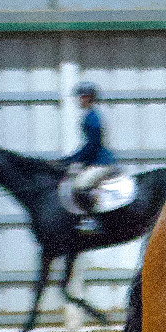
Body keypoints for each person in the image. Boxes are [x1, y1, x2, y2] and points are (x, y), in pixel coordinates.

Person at [64, 82, 118, 232]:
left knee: (82, 186)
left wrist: (74, 159)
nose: (78, 100)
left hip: (101, 161)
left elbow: (93, 144)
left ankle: (93, 220)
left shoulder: (92, 118)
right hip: (94, 160)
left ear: (87, 98)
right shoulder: (89, 115)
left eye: (81, 97)